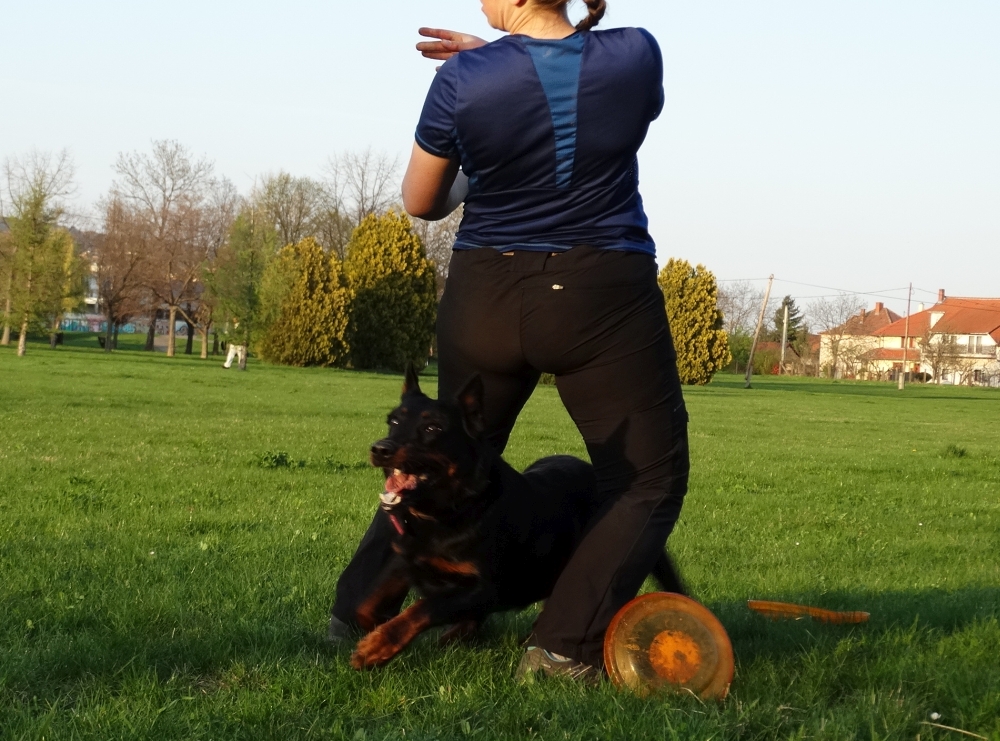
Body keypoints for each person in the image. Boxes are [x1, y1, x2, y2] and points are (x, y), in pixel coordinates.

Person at [329, 0, 689, 682]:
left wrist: (488, 86)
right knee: (644, 478)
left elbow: (423, 200)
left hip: (486, 293)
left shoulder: (462, 83)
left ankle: (356, 610)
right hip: (600, 291)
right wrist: (519, 61)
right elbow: (587, 111)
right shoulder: (638, 52)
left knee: (447, 450)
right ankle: (559, 647)